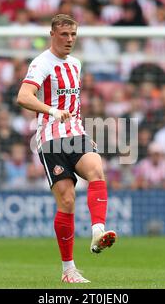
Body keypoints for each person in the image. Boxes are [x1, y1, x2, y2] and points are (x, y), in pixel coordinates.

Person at [16, 14, 116, 284]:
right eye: (64, 35)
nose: (70, 39)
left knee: (96, 168)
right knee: (68, 201)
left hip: (75, 134)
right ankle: (68, 270)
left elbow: (73, 104)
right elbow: (23, 96)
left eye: (73, 34)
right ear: (52, 35)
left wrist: (83, 132)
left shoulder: (76, 64)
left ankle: (98, 231)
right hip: (50, 138)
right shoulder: (41, 63)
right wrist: (51, 110)